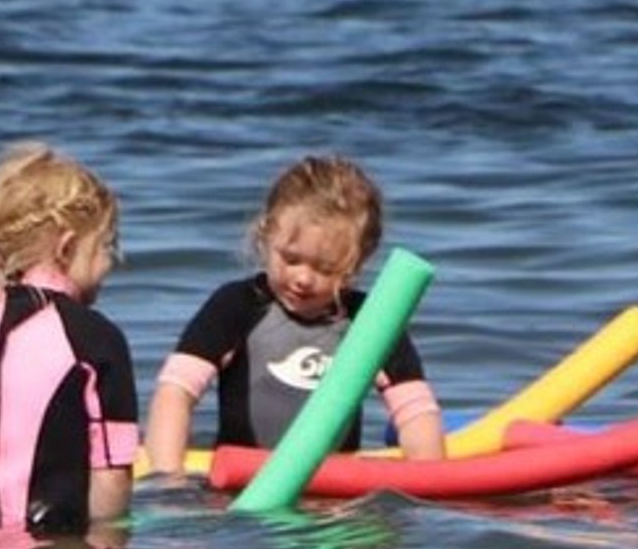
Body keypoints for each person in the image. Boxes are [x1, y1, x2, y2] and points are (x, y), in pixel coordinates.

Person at [143, 154, 444, 479]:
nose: (303, 278)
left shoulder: (370, 322)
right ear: (265, 235)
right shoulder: (237, 305)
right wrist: (168, 479)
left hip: (333, 496)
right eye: (291, 258)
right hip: (242, 490)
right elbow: (175, 392)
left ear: (358, 263)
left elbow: (415, 413)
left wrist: (430, 484)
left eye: (326, 268)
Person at [0, 142, 138, 533]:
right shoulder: (95, 338)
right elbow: (111, 477)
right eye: (106, 246)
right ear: (67, 248)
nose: (111, 263)